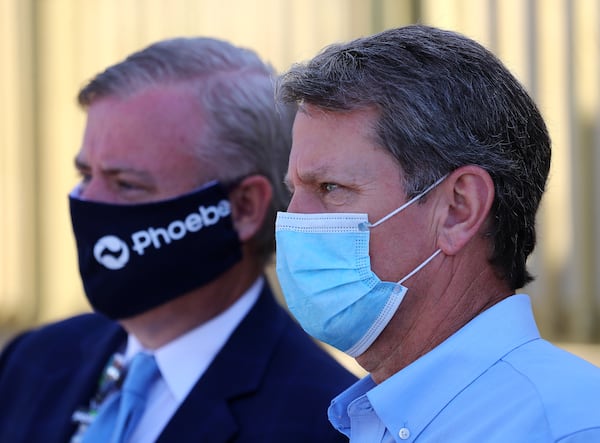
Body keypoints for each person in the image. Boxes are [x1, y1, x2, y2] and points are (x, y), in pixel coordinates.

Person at [0, 37, 357, 443]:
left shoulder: (325, 422)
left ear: (241, 208)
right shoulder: (31, 364)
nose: (89, 204)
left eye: (127, 184)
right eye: (86, 176)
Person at [274, 24, 600, 442]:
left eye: (330, 188)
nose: (293, 220)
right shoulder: (367, 419)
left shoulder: (568, 428)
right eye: (293, 191)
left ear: (458, 209)